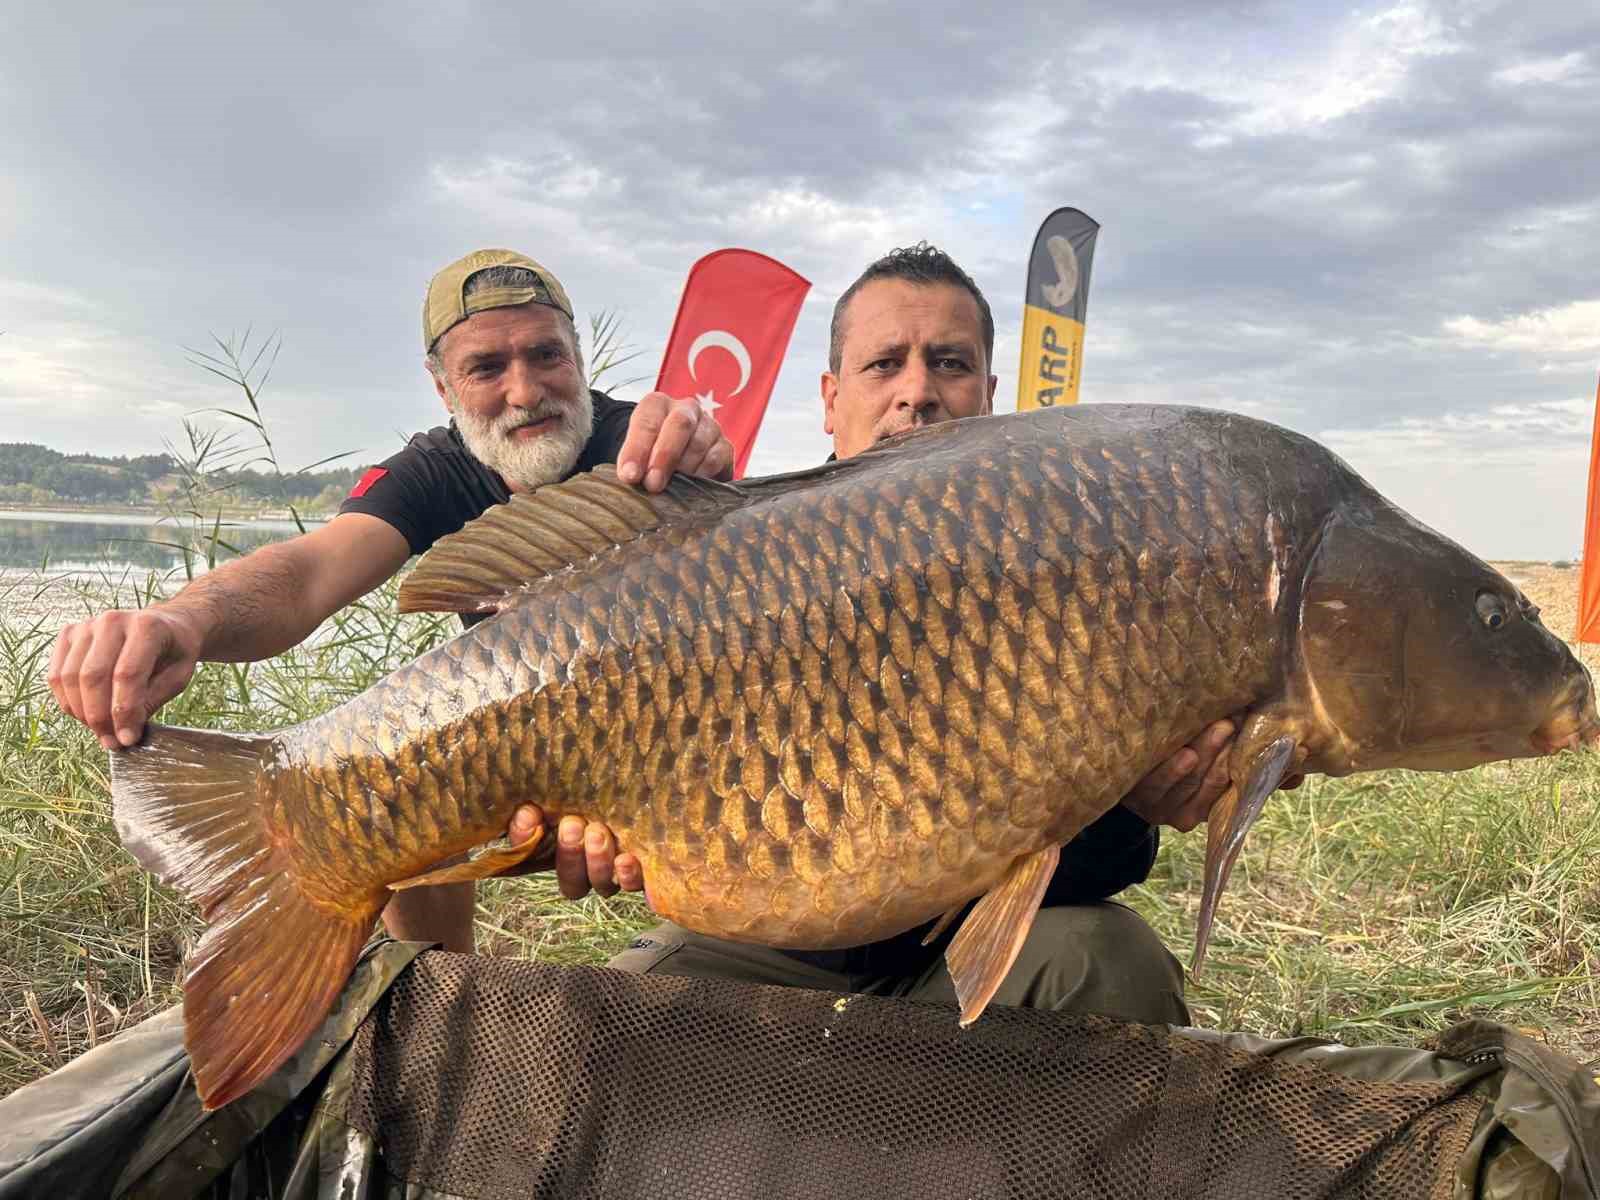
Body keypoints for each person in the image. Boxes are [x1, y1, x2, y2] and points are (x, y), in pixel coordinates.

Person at [595, 243, 1260, 1026]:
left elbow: (1109, 864)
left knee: (1110, 962)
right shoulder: (738, 558)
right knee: (611, 1016)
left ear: (989, 394)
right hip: (774, 955)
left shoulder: (1069, 562)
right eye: (885, 365)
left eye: (949, 364)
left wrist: (1134, 798)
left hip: (972, 956)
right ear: (831, 396)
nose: (918, 393)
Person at [47, 247, 733, 948]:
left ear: (579, 361)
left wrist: (706, 472)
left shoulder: (642, 450)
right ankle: (435, 983)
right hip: (536, 745)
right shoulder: (438, 469)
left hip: (682, 731)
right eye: (486, 368)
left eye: (545, 355)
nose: (525, 391)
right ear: (444, 390)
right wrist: (179, 620)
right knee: (408, 774)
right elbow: (309, 572)